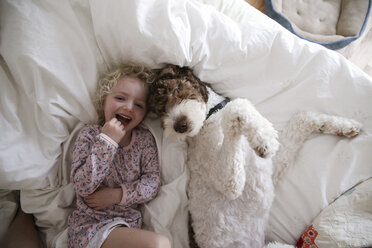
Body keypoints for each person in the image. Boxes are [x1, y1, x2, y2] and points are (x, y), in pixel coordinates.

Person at [68, 63, 171, 248]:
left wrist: (118, 195)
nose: (129, 107)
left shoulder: (144, 141)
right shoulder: (90, 135)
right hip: (90, 228)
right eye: (121, 98)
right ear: (103, 102)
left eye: (138, 105)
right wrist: (107, 142)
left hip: (126, 226)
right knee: (159, 244)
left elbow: (152, 183)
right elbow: (82, 186)